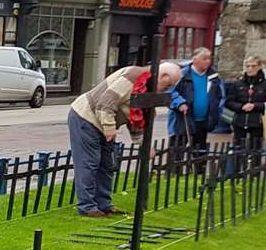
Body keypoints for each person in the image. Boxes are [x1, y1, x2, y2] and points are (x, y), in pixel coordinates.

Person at [68, 61, 182, 217]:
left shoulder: (147, 88)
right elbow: (105, 103)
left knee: (107, 164)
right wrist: (109, 129)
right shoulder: (133, 76)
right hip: (85, 117)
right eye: (168, 86)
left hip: (104, 123)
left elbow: (134, 117)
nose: (167, 90)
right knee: (89, 163)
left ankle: (104, 205)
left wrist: (144, 144)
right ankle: (87, 207)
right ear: (163, 76)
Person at [168, 48, 227, 164]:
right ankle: (174, 173)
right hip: (183, 120)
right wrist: (180, 103)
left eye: (209, 58)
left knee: (200, 152)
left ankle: (199, 174)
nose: (208, 61)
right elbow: (170, 92)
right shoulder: (182, 75)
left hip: (203, 121)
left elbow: (221, 96)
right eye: (204, 59)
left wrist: (216, 112)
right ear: (194, 60)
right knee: (177, 150)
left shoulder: (214, 77)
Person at [225, 54, 265, 159]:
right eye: (248, 66)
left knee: (255, 150)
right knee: (238, 150)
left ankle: (254, 173)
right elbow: (229, 102)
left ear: (259, 67)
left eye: (253, 66)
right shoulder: (238, 84)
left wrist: (255, 106)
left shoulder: (264, 85)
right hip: (240, 121)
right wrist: (241, 106)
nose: (250, 69)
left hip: (257, 122)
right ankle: (237, 173)